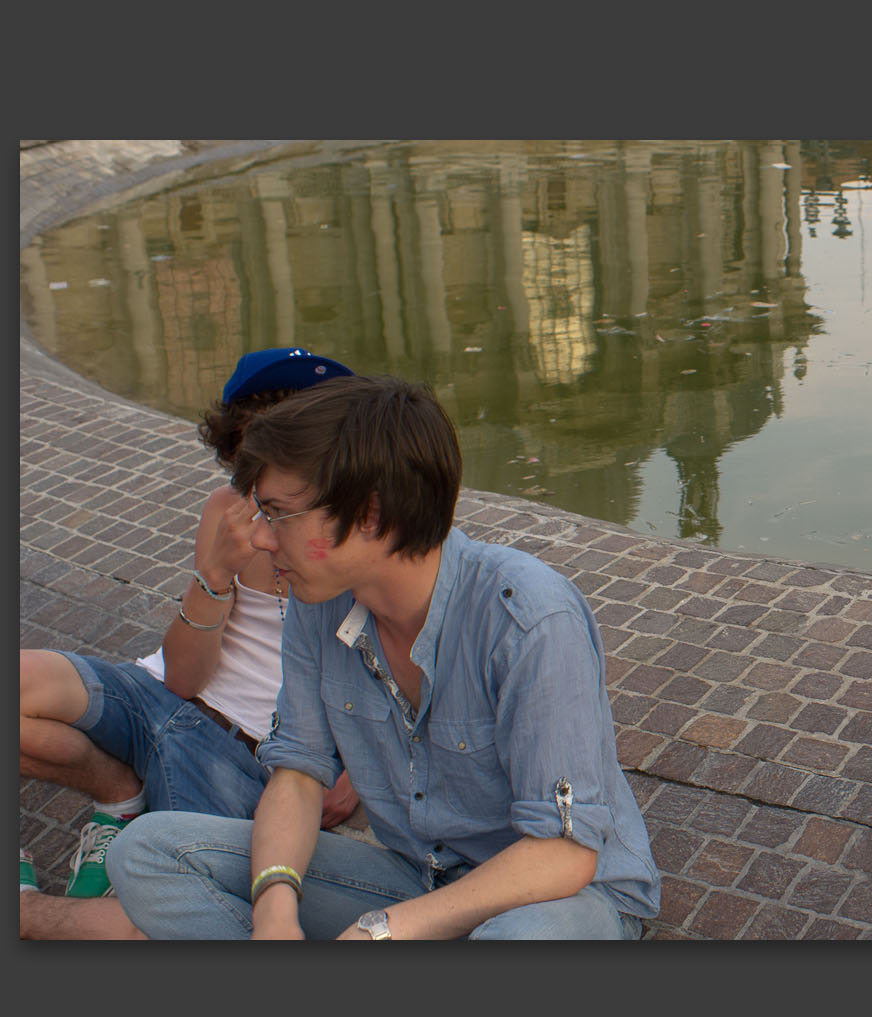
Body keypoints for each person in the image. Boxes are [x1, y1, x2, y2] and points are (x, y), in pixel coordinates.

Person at [107, 375, 661, 939]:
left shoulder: (529, 618)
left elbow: (564, 855)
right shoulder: (318, 601)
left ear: (369, 516)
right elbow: (299, 773)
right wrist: (274, 908)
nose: (261, 540)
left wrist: (381, 930)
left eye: (277, 514)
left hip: (557, 898)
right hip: (418, 880)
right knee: (147, 852)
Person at [19, 348, 361, 939]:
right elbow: (182, 677)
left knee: (169, 914)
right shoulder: (227, 513)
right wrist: (215, 575)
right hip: (157, 699)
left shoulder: (356, 533)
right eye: (266, 442)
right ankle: (118, 795)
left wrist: (354, 770)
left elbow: (402, 666)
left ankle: (26, 916)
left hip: (241, 754)